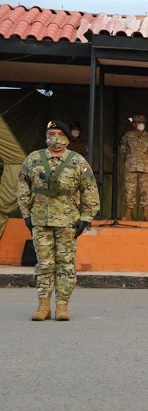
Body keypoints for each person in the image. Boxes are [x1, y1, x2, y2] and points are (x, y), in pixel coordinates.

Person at [17, 120, 100, 321]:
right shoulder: (33, 159)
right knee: (44, 264)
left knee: (66, 265)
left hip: (68, 221)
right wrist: (26, 214)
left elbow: (89, 190)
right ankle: (43, 306)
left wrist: (86, 218)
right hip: (41, 220)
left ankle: (62, 306)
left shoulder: (78, 162)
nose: (54, 137)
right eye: (51, 133)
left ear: (67, 138)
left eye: (59, 134)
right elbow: (23, 187)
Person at [120, 114, 148, 221]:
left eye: (143, 122)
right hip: (131, 167)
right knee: (129, 191)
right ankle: (128, 213)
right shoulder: (128, 136)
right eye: (139, 122)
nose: (141, 124)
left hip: (145, 168)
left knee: (146, 191)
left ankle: (146, 213)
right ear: (134, 124)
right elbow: (123, 151)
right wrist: (128, 160)